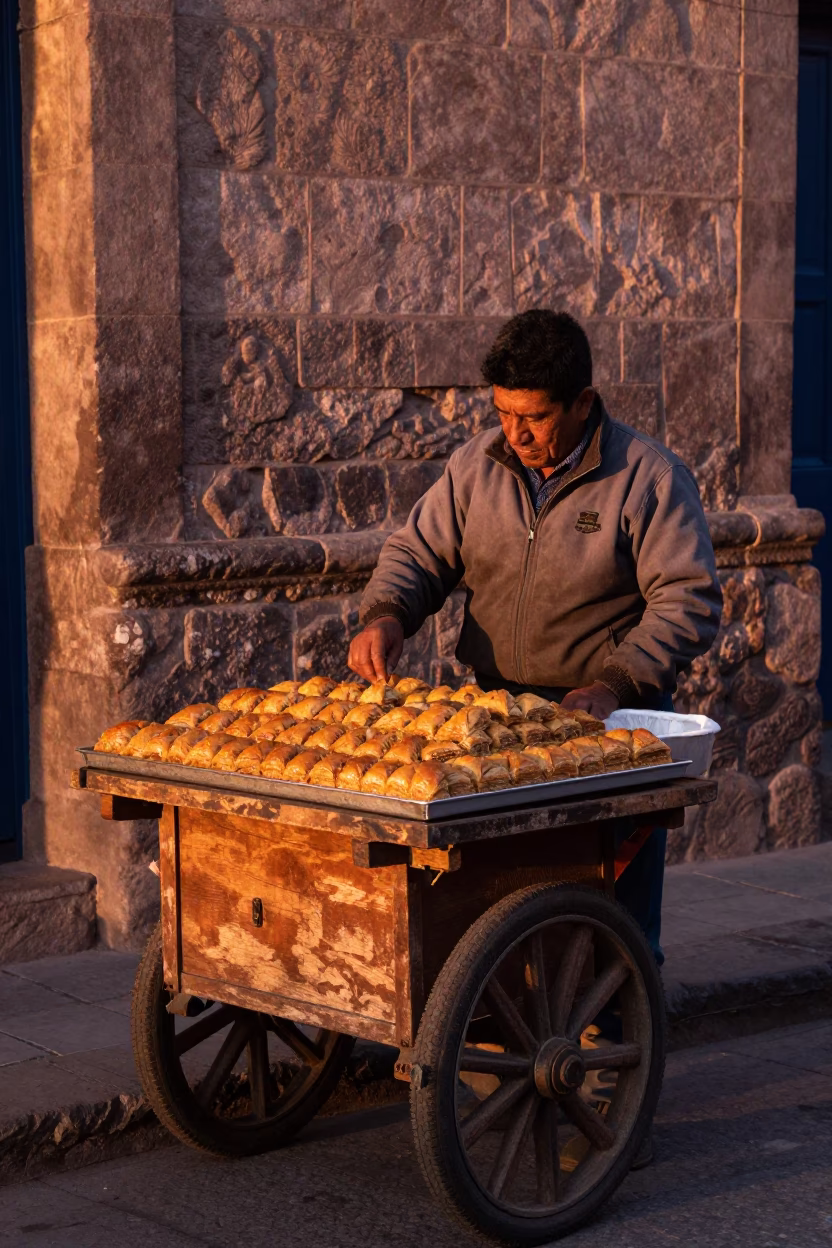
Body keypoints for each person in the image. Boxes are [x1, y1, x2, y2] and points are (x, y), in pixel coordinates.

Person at [349, 309, 722, 968]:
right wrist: (386, 613)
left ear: (582, 403)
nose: (516, 434)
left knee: (608, 913)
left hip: (608, 729)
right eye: (503, 413)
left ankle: (614, 1047)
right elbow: (420, 553)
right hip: (498, 723)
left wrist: (615, 683)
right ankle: (507, 1028)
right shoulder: (475, 467)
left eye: (537, 418)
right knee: (497, 904)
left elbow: (687, 601)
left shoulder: (648, 477)